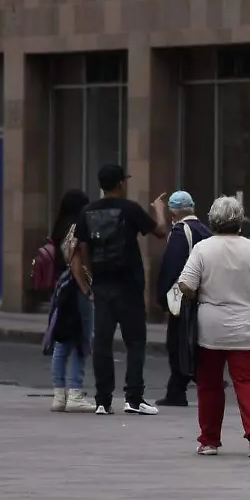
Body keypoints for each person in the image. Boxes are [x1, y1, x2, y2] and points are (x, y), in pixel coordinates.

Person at [178, 196, 250, 457]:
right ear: (240, 220)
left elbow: (186, 284)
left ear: (212, 220)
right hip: (246, 325)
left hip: (210, 327)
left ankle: (209, 440)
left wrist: (199, 294)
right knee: (247, 382)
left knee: (210, 384)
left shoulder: (202, 249)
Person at [71, 164, 169, 416]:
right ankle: (133, 398)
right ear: (120, 184)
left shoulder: (87, 211)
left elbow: (81, 248)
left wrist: (93, 275)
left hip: (103, 285)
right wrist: (159, 211)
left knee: (102, 342)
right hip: (130, 285)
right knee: (135, 341)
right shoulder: (130, 209)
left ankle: (103, 401)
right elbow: (160, 233)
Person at [154, 191, 212, 407]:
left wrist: (162, 297)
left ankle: (176, 390)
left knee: (177, 344)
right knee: (194, 341)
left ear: (173, 211)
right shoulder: (205, 230)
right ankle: (195, 381)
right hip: (204, 295)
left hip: (184, 296)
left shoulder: (181, 232)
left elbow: (172, 267)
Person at [46, 189, 95, 413]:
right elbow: (76, 263)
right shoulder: (77, 228)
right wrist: (86, 290)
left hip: (61, 289)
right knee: (80, 340)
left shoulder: (59, 227)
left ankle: (59, 394)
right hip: (76, 288)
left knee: (62, 340)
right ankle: (75, 392)